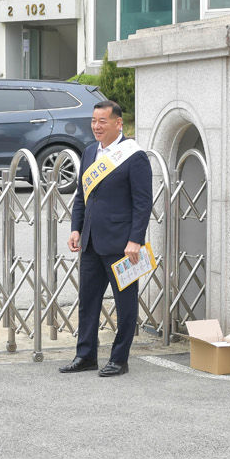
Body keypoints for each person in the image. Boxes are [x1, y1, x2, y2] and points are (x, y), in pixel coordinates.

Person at [60, 100, 153, 378]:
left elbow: (143, 203)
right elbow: (82, 196)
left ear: (118, 123)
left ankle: (119, 359)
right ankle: (85, 355)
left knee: (125, 304)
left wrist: (135, 239)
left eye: (103, 121)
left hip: (122, 244)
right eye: (94, 121)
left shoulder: (134, 156)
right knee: (88, 301)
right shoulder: (90, 152)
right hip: (90, 240)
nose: (96, 126)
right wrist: (76, 228)